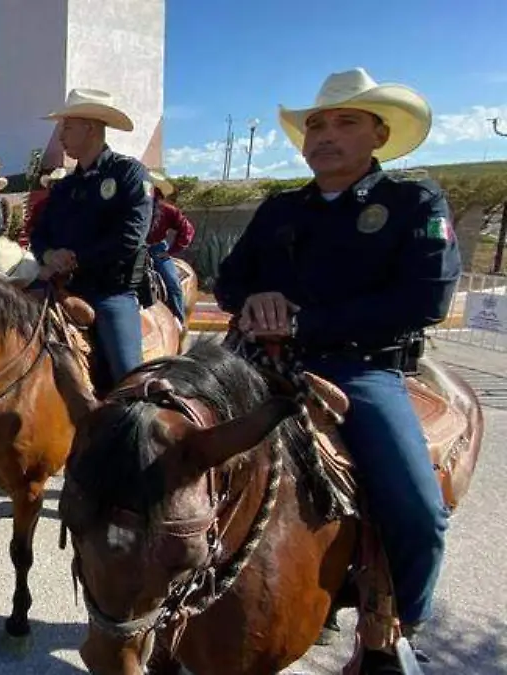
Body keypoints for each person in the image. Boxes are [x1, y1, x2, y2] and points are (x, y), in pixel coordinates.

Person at [215, 68, 457, 671]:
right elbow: (231, 280)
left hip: (358, 370)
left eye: (345, 122)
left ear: (378, 135)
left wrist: (301, 323)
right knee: (157, 436)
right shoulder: (280, 208)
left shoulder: (413, 202)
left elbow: (425, 299)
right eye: (317, 124)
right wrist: (252, 302)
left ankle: (395, 626)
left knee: (417, 511)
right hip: (254, 362)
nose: (325, 134)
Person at [29, 89, 153, 392]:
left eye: (67, 127)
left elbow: (131, 236)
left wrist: (76, 257)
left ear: (91, 128)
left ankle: (136, 428)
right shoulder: (64, 187)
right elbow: (39, 232)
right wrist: (48, 256)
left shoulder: (130, 173)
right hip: (58, 286)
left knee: (129, 379)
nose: (60, 136)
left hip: (109, 291)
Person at [146, 170, 195, 324]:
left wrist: (171, 252)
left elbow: (187, 230)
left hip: (157, 251)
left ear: (155, 190)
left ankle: (179, 321)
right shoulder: (130, 209)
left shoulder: (168, 210)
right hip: (133, 251)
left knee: (172, 283)